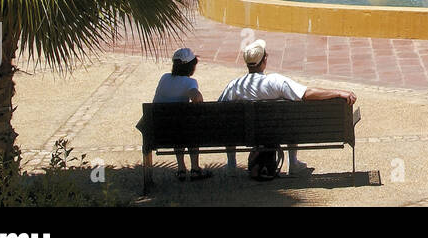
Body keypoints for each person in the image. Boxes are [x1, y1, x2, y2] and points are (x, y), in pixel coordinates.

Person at [219, 39, 357, 176]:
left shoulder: (235, 85)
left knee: (230, 118)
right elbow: (306, 94)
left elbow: (219, 111)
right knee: (291, 118)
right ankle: (293, 163)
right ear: (264, 61)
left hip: (245, 135)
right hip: (278, 133)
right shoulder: (276, 82)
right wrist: (338, 92)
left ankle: (231, 164)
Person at [152, 47, 210, 181]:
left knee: (177, 125)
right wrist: (197, 96)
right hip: (182, 131)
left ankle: (181, 168)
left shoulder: (164, 78)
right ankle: (195, 168)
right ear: (191, 66)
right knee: (189, 125)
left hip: (160, 132)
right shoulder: (190, 82)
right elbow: (196, 97)